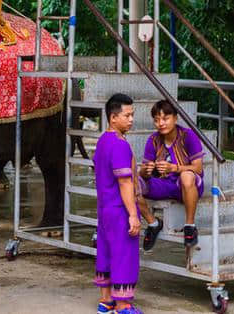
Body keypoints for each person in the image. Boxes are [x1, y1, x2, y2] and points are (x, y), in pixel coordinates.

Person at [93, 93, 143, 314]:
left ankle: (106, 301)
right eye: (127, 115)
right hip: (119, 209)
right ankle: (123, 304)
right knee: (124, 254)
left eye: (132, 115)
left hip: (104, 208)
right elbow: (125, 183)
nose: (131, 119)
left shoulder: (103, 140)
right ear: (113, 118)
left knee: (105, 250)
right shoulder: (120, 145)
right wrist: (133, 214)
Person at [137, 100, 205, 250]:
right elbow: (143, 171)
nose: (161, 123)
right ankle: (153, 224)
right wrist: (146, 170)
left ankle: (190, 226)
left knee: (186, 175)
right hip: (163, 184)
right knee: (132, 183)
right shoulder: (153, 140)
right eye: (156, 120)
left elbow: (198, 169)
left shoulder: (188, 136)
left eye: (165, 118)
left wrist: (175, 168)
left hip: (188, 185)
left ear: (175, 118)